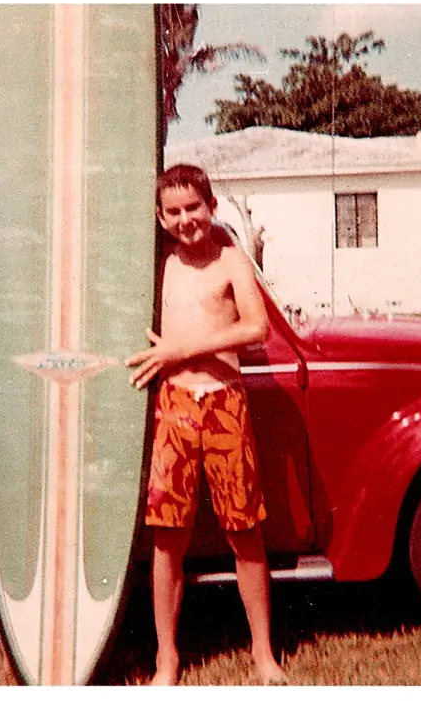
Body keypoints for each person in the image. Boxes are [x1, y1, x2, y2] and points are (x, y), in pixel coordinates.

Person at [125, 164, 286, 686]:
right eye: (173, 211)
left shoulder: (232, 261)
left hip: (224, 403)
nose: (185, 219)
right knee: (167, 537)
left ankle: (263, 653)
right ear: (160, 217)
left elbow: (255, 327)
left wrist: (180, 348)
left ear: (211, 207)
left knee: (245, 530)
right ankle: (166, 658)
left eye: (193, 207)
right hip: (172, 406)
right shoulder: (158, 264)